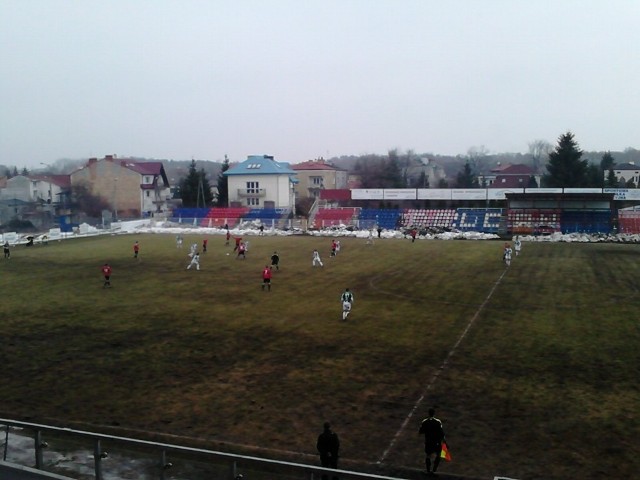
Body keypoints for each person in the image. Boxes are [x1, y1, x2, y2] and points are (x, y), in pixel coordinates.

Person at [419, 408, 446, 476]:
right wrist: (444, 442)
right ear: (434, 414)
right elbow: (441, 433)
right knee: (438, 455)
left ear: (428, 413)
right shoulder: (438, 422)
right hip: (437, 442)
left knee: (428, 455)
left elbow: (421, 431)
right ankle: (434, 471)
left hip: (428, 442)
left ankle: (428, 471)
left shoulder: (425, 421)